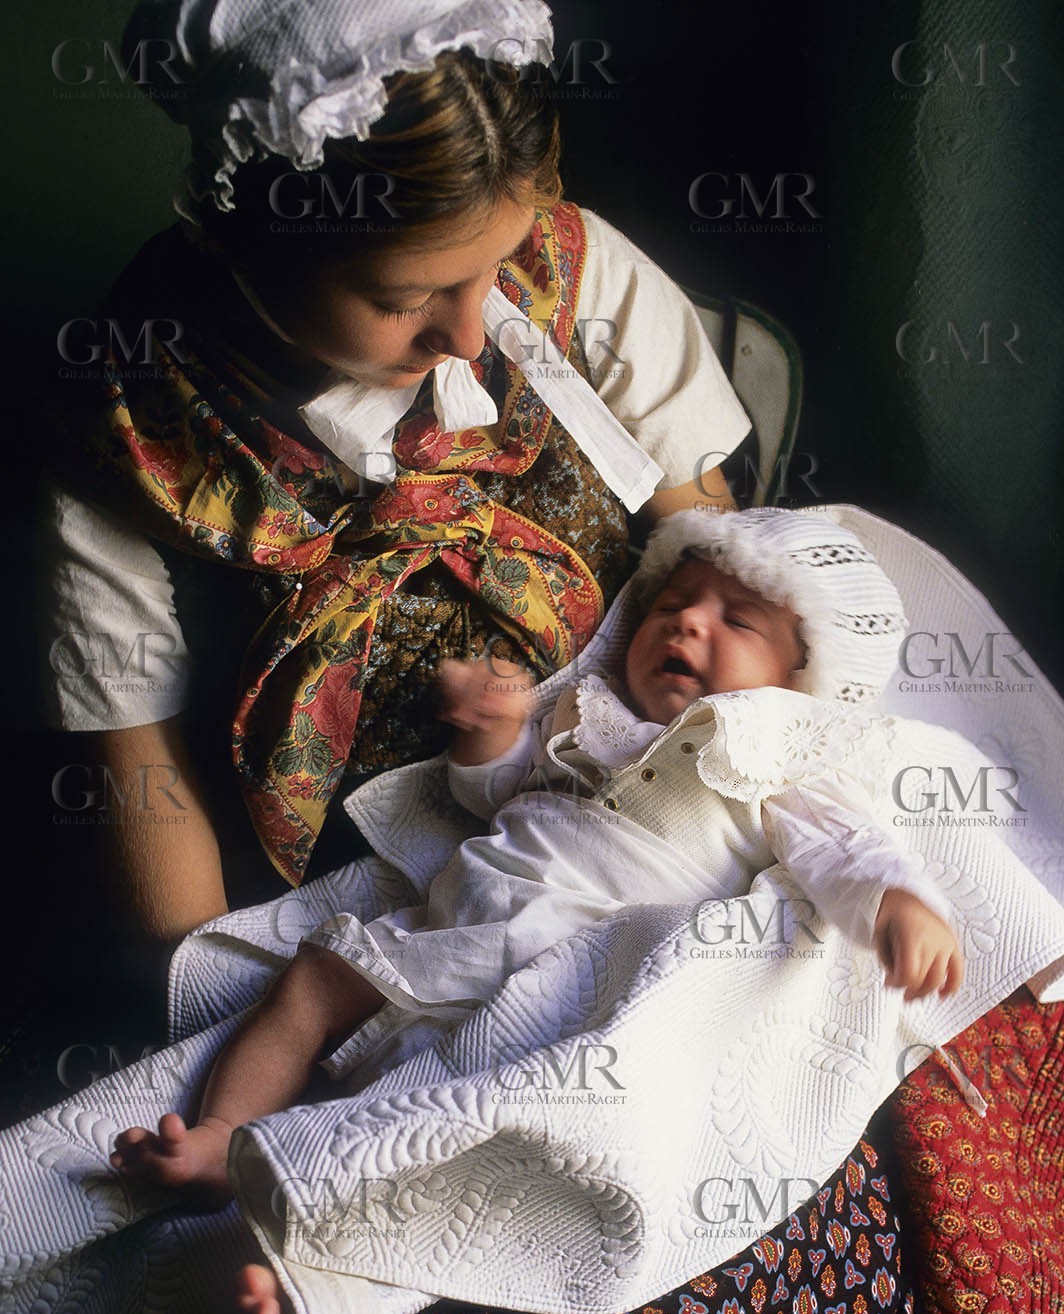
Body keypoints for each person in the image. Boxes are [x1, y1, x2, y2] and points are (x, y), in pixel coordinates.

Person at [111, 508, 964, 1314]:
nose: (689, 623)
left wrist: (900, 907)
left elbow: (850, 850)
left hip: (555, 979)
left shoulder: (785, 764)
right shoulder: (588, 713)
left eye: (737, 619)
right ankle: (226, 1133)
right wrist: (491, 736)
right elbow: (495, 798)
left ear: (799, 679)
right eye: (673, 603)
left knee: (428, 1131)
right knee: (308, 983)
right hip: (450, 929)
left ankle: (313, 1288)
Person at [39, 0, 750, 953]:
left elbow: (721, 568)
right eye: (404, 296)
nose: (467, 337)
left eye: (492, 268)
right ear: (248, 234)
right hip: (354, 913)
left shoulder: (577, 273)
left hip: (634, 810)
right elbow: (144, 777)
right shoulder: (126, 433)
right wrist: (218, 1006)